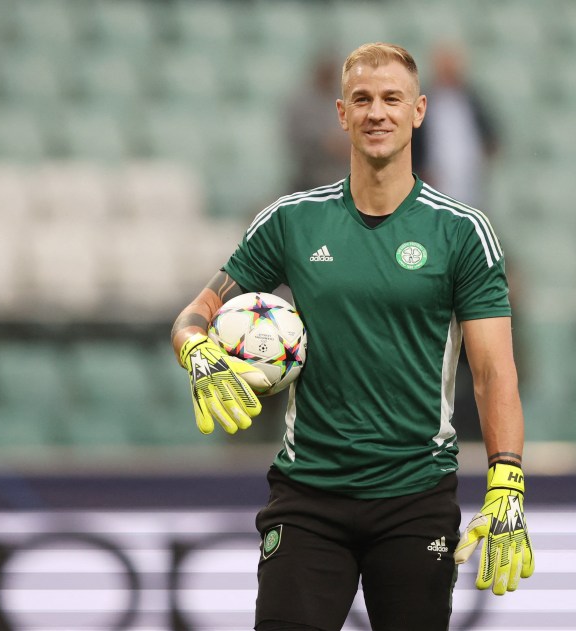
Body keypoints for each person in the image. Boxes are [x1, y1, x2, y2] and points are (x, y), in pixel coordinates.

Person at [171, 42, 534, 631]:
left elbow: (495, 372)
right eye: (361, 99)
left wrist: (508, 481)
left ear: (419, 111)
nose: (377, 112)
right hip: (309, 496)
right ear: (341, 114)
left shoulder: (463, 232)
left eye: (393, 99)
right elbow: (196, 313)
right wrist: (196, 349)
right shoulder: (290, 220)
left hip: (416, 496)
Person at [411, 41, 500, 208]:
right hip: (433, 182)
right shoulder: (424, 101)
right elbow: (412, 141)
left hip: (470, 182)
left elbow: (491, 136)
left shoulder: (473, 100)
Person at [284, 51, 353, 192]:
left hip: (342, 180)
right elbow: (303, 139)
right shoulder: (301, 103)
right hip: (310, 178)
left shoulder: (342, 98)